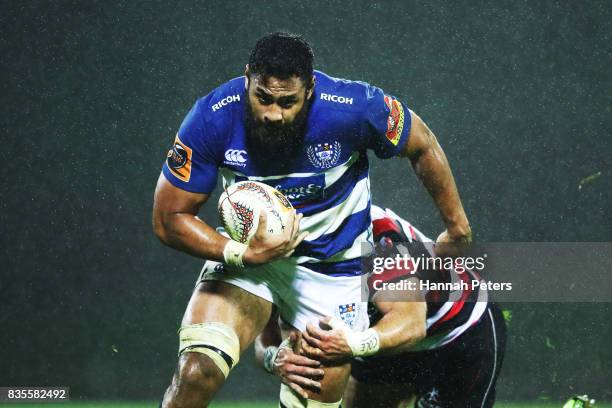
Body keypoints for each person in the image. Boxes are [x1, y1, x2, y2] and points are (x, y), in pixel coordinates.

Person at [152, 32, 471, 408]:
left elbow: (423, 143)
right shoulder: (212, 117)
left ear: (311, 89)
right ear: (247, 79)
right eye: (263, 98)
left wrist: (457, 228)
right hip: (251, 259)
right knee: (196, 372)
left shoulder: (354, 107)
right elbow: (167, 217)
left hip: (332, 270)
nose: (273, 113)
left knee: (310, 396)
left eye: (287, 102)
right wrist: (239, 254)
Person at [255, 205, 507, 408]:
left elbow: (411, 324)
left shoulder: (375, 236)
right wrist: (273, 359)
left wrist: (353, 344)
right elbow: (265, 339)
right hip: (381, 341)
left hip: (459, 332)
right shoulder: (275, 249)